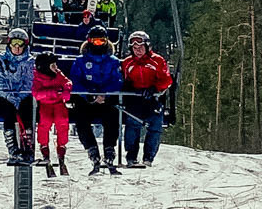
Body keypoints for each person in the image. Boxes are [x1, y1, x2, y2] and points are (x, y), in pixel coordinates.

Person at [69, 26, 124, 172]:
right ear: (89, 41)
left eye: (102, 41)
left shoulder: (113, 61)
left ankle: (109, 149)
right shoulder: (81, 61)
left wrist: (105, 94)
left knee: (112, 116)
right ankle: (92, 150)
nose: (98, 44)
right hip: (87, 100)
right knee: (81, 119)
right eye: (95, 41)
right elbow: (75, 81)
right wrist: (89, 95)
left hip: (106, 100)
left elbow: (117, 81)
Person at [120, 30, 173, 166]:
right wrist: (128, 87)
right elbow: (122, 79)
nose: (138, 51)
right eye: (135, 48)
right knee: (133, 123)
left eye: (141, 47)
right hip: (135, 98)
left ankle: (148, 157)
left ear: (147, 46)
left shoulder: (157, 60)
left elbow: (167, 79)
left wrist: (155, 88)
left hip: (153, 98)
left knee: (155, 123)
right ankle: (131, 157)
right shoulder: (128, 63)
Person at [0, 28, 36, 161]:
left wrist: (20, 97)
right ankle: (12, 147)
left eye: (20, 44)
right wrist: (10, 97)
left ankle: (28, 144)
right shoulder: (2, 60)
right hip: (5, 96)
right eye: (14, 44)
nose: (17, 47)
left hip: (23, 96)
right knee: (9, 112)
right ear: (9, 44)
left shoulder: (30, 61)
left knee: (27, 109)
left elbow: (29, 81)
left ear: (25, 45)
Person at [31, 50, 72, 175]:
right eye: (53, 66)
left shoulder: (58, 74)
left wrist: (66, 91)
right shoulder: (38, 77)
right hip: (46, 105)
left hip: (59, 104)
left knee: (62, 122)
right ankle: (44, 145)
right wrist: (54, 92)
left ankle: (61, 145)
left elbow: (67, 82)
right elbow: (37, 93)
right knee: (45, 123)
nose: (56, 68)